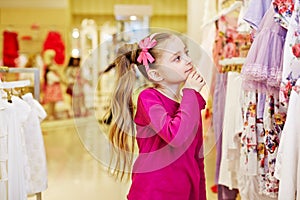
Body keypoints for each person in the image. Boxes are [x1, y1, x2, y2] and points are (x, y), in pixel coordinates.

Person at [105, 32, 207, 199]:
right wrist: (190, 92)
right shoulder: (148, 99)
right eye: (177, 58)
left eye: (186, 53)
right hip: (152, 193)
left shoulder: (190, 103)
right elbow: (176, 136)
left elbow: (197, 158)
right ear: (156, 75)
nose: (188, 60)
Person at [42, 49, 64, 120]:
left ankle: (52, 114)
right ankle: (49, 114)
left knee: (53, 103)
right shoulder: (49, 68)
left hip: (54, 87)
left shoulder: (51, 64)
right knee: (51, 103)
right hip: (52, 88)